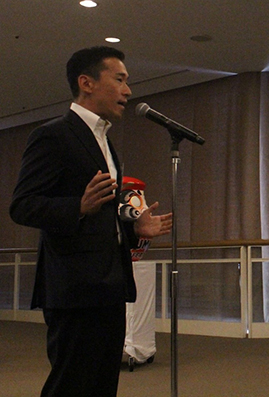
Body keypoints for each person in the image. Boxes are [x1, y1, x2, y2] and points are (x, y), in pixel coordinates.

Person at [10, 46, 173, 397]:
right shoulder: (53, 135)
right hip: (74, 289)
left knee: (102, 385)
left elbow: (104, 216)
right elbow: (22, 206)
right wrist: (78, 206)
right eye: (119, 80)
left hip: (110, 285)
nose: (128, 90)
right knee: (71, 386)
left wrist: (134, 230)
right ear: (87, 82)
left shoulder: (105, 141)